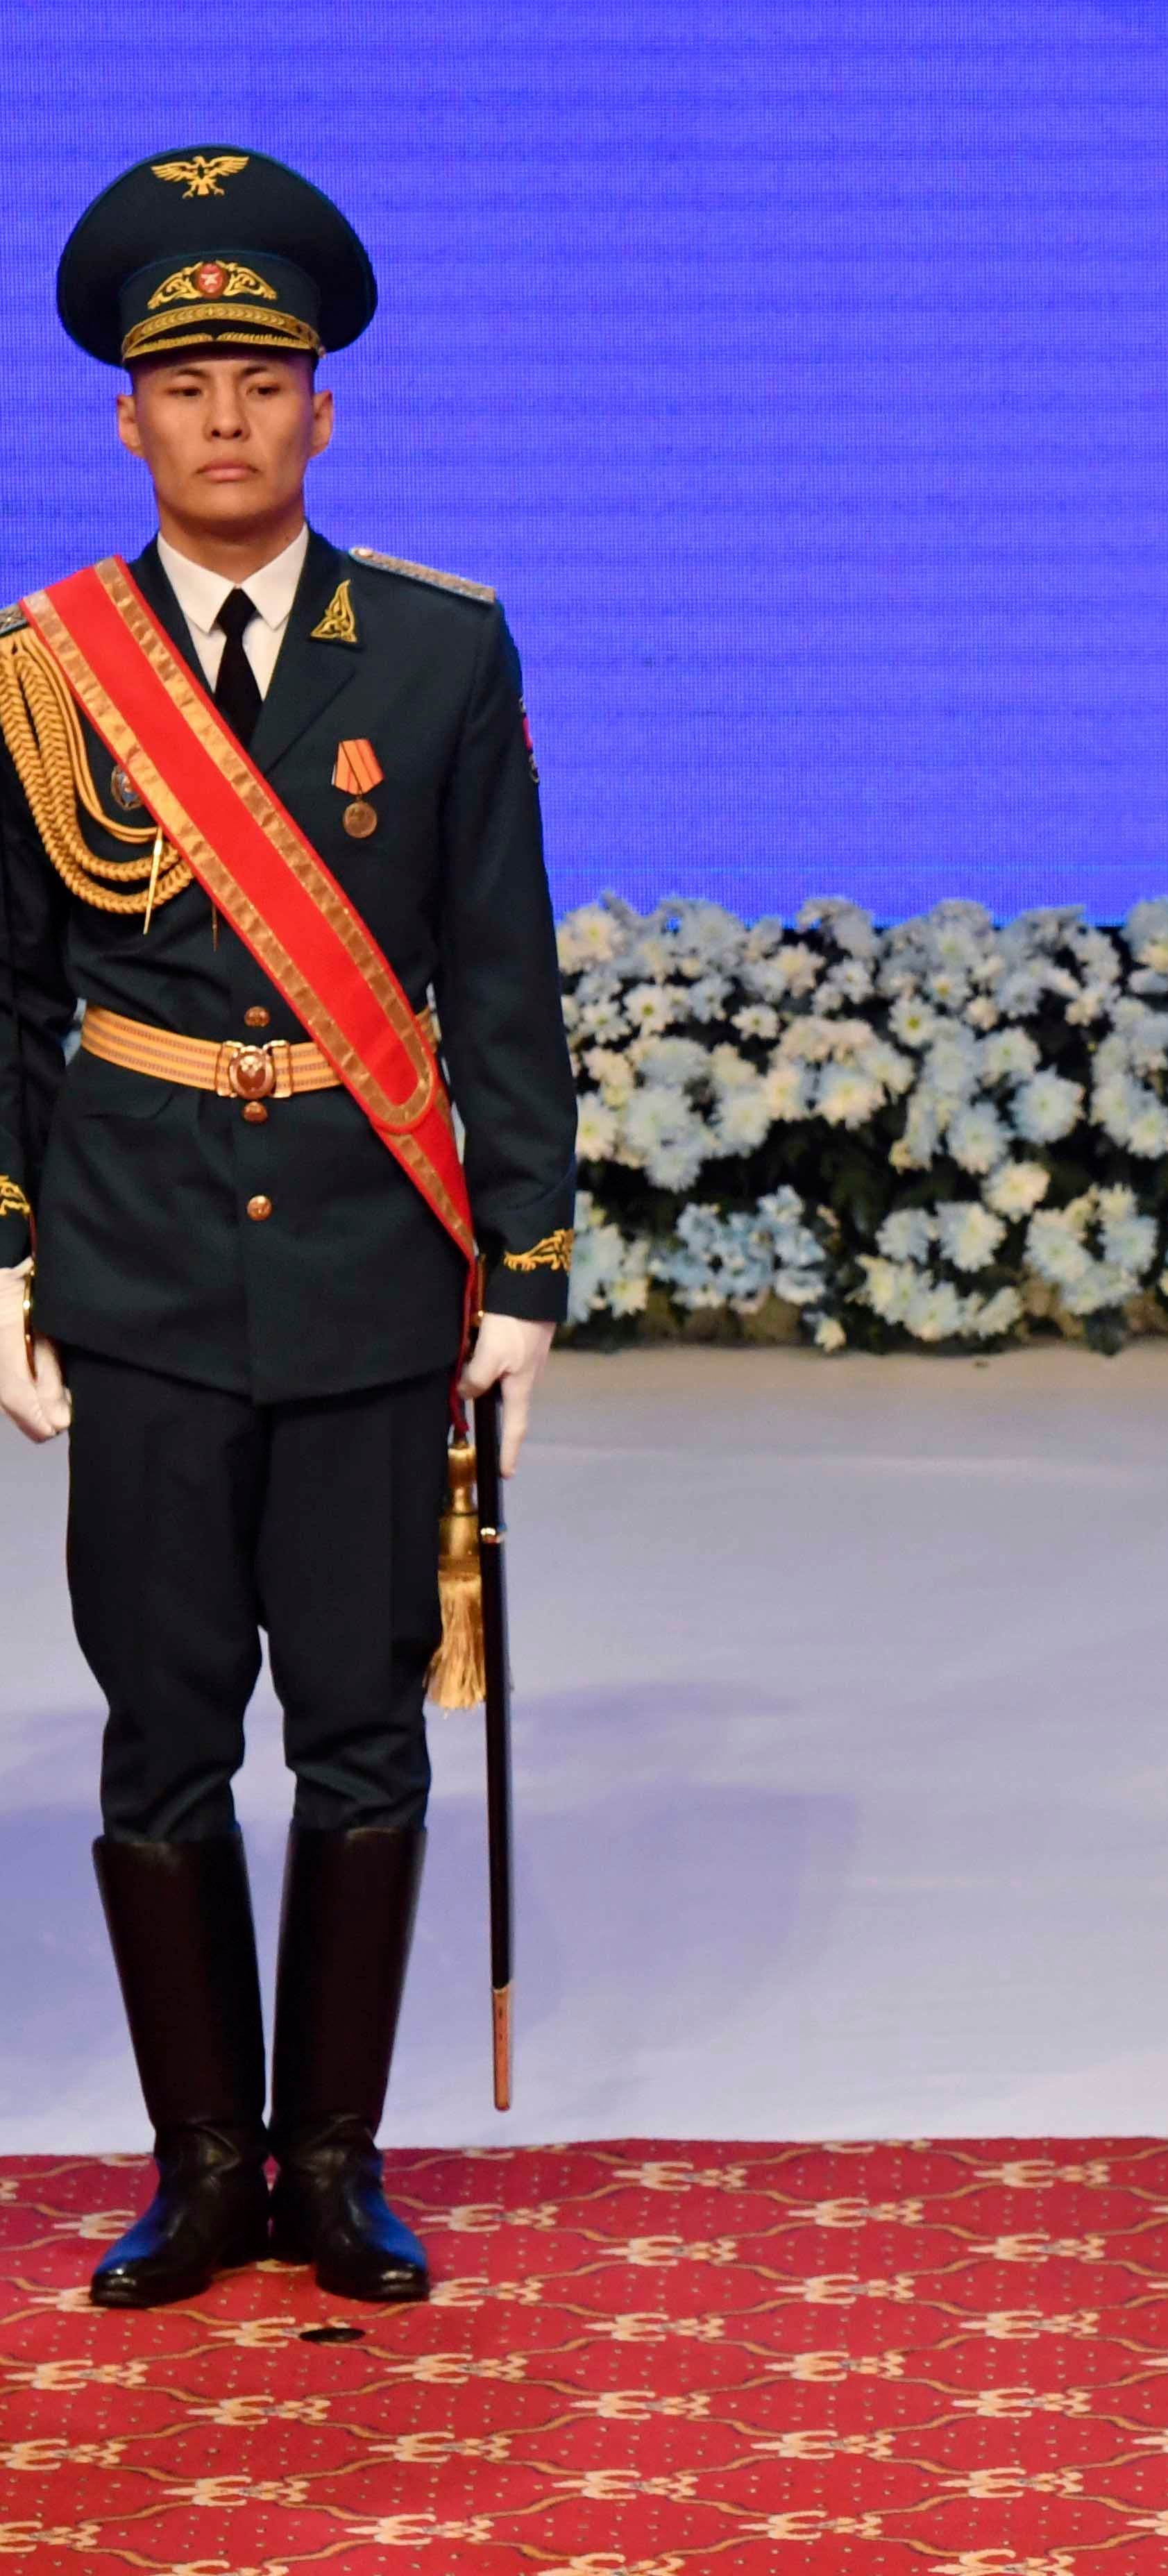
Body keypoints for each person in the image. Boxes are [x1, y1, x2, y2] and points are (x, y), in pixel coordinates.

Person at [0, 149, 575, 2309]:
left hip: (361, 1271)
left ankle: (333, 2169)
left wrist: (521, 1273)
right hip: (138, 1265)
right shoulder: (42, 675)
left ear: (325, 409)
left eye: (266, 375)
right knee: (158, 1730)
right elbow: (9, 992)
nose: (226, 415)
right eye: (185, 384)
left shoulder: (434, 654)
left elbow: (498, 985)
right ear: (124, 422)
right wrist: (1, 1251)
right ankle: (196, 2172)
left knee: (358, 1720)